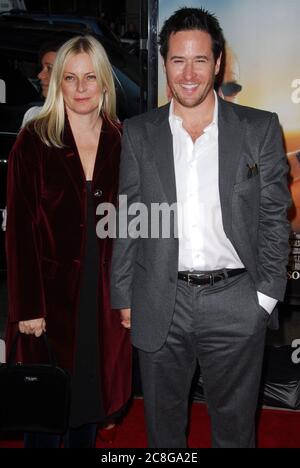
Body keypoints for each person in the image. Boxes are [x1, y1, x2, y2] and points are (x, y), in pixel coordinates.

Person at [110, 7, 291, 448]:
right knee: (163, 431)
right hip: (159, 300)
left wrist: (264, 298)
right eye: (177, 60)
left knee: (235, 430)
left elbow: (274, 215)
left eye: (200, 60)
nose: (188, 74)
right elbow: (129, 217)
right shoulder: (138, 132)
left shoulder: (258, 128)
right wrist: (124, 294)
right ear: (164, 63)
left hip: (236, 300)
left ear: (218, 63)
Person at [5, 35, 131, 448]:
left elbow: (134, 225)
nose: (80, 89)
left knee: (89, 407)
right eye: (71, 78)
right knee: (45, 413)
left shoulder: (122, 140)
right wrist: (27, 307)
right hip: (49, 303)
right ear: (58, 81)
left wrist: (129, 295)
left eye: (90, 78)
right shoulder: (35, 140)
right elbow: (20, 231)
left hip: (104, 300)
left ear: (105, 83)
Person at [22, 41, 62, 125]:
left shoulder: (89, 120)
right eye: (42, 68)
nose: (40, 75)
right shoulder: (33, 115)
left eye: (50, 68)